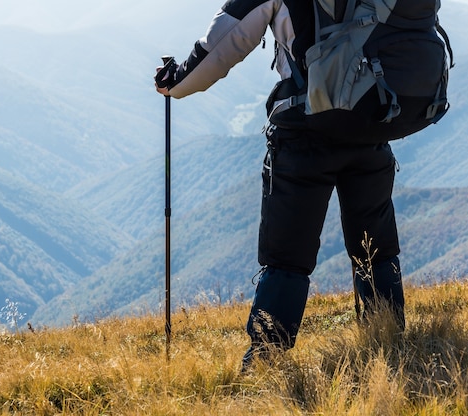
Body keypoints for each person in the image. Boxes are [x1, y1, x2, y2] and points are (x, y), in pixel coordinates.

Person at [154, 0, 405, 370]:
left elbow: (224, 43)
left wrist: (175, 81)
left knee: (287, 256)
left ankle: (265, 362)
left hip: (305, 131)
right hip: (371, 121)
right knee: (376, 248)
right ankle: (389, 340)